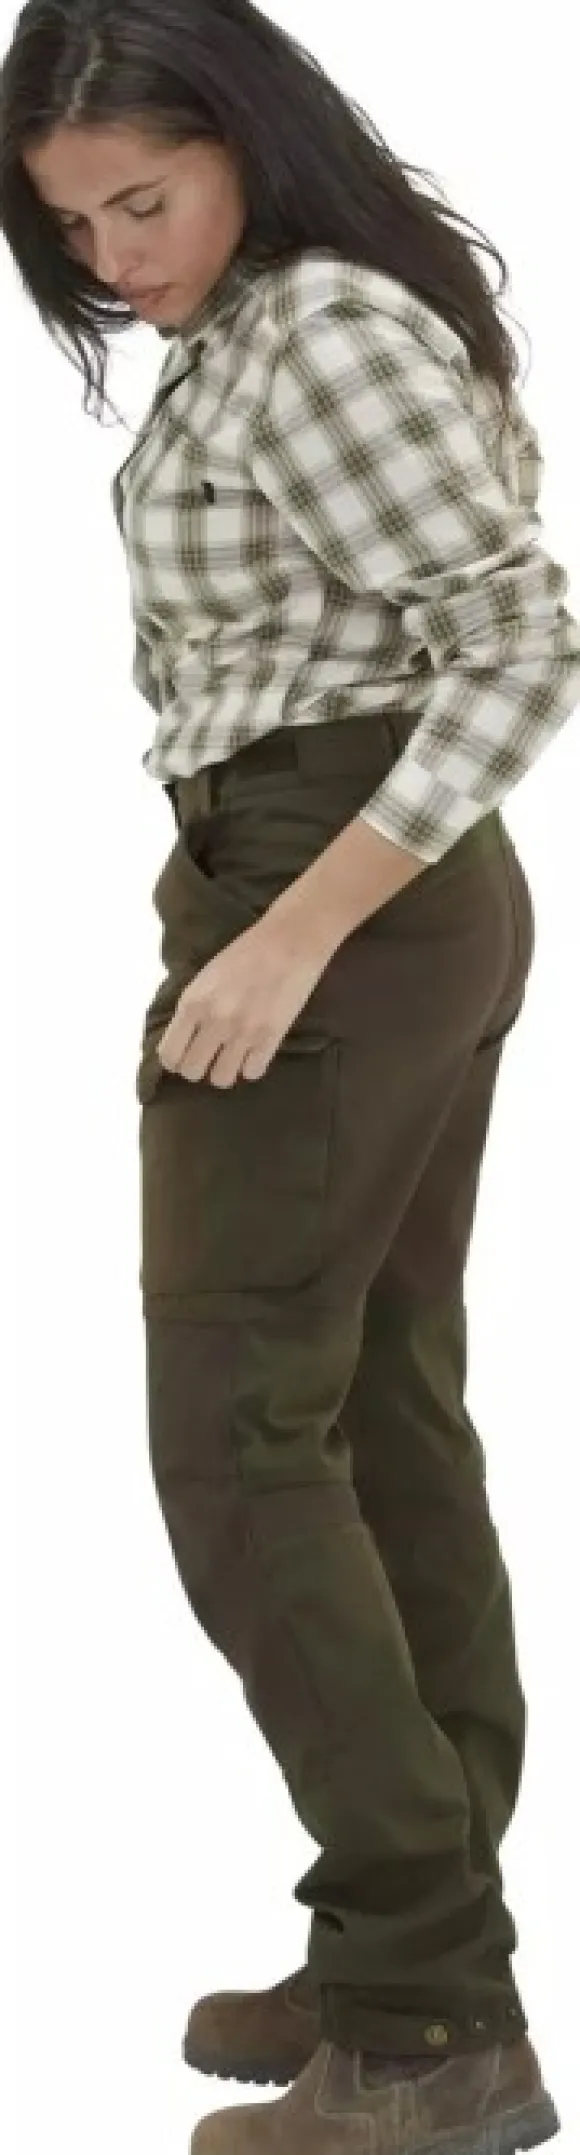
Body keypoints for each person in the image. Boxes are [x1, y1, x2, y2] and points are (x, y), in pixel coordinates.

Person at [2, 2, 577, 2149]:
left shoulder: (319, 329)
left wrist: (285, 931)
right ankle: (408, 1954)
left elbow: (520, 639)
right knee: (375, 1412)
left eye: (144, 200)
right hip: (370, 884)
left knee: (238, 1438)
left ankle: (427, 2026)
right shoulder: (260, 327)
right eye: (73, 226)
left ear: (244, 138)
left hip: (341, 883)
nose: (114, 258)